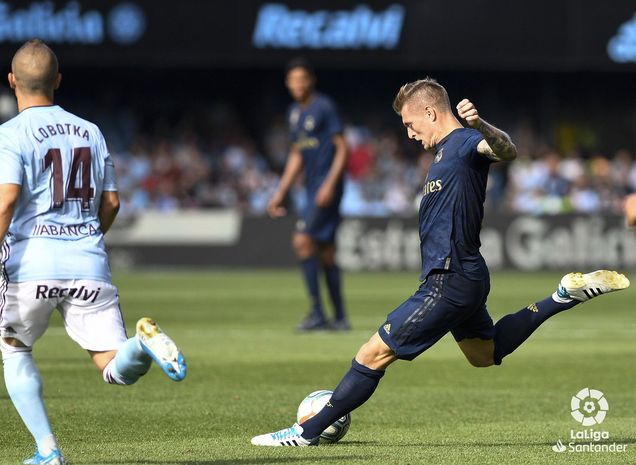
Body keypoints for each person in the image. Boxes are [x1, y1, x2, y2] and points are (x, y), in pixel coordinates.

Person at [251, 77, 630, 446]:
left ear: (430, 113)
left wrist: (480, 124)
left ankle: (305, 432)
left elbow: (506, 151)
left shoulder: (465, 141)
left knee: (372, 353)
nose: (410, 134)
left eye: (410, 124)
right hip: (464, 274)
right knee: (485, 353)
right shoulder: (444, 153)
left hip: (449, 279)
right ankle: (563, 296)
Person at [0, 39, 187, 465]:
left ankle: (47, 452)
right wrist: (85, 237)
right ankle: (141, 344)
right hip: (87, 263)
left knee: (15, 348)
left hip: (31, 265)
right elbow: (111, 203)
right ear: (58, 80)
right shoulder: (91, 130)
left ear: (11, 81)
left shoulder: (8, 134)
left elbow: (4, 199)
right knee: (113, 366)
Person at [267, 58, 350, 331]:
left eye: (302, 79)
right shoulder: (294, 113)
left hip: (326, 187)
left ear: (311, 80)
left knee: (302, 241)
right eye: (293, 80)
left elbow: (342, 147)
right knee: (325, 252)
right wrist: (281, 192)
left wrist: (329, 184)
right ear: (287, 83)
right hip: (312, 188)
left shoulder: (324, 107)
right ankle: (339, 317)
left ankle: (317, 313)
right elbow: (296, 155)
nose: (298, 84)